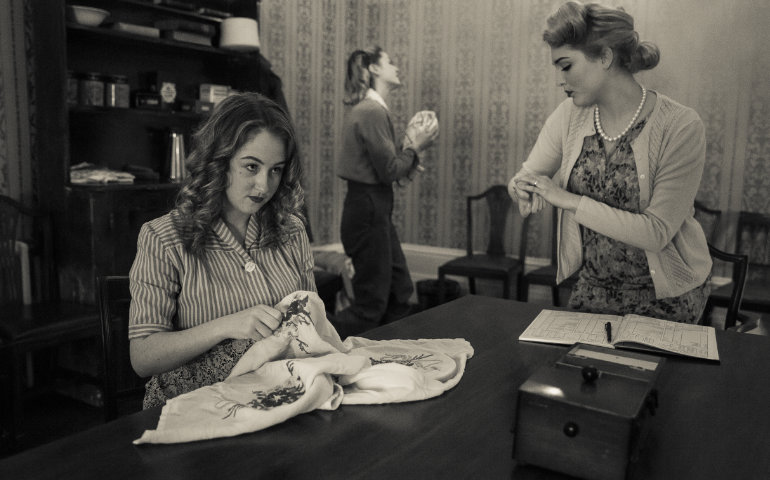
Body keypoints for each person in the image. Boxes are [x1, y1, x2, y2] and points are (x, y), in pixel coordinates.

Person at [507, 1, 712, 324]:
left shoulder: (680, 126)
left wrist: (567, 200)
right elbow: (527, 175)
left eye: (566, 66)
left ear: (604, 57)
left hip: (667, 298)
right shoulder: (569, 115)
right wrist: (521, 188)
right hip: (593, 289)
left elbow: (656, 232)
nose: (560, 79)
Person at [128, 92, 316, 408]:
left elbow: (313, 325)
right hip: (195, 406)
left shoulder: (292, 231)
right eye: (251, 166)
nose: (264, 186)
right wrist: (225, 325)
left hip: (279, 396)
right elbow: (143, 357)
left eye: (275, 170)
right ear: (219, 161)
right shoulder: (163, 239)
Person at [334, 46, 439, 337]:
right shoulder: (371, 111)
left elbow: (388, 167)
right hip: (367, 210)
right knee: (372, 304)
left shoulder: (373, 110)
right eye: (390, 62)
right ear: (375, 69)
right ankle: (319, 340)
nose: (397, 67)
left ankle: (390, 352)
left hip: (374, 209)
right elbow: (390, 170)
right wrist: (416, 146)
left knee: (399, 290)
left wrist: (410, 149)